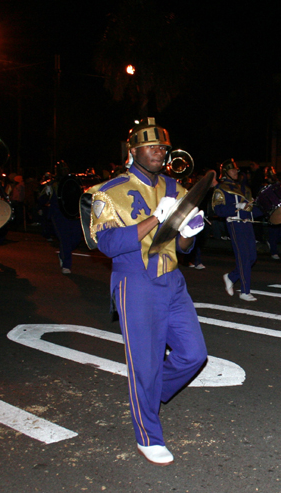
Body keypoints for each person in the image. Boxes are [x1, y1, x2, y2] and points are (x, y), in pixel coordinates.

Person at [85, 118, 207, 465]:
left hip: (172, 281)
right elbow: (106, 244)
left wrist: (190, 231)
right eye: (151, 147)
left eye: (163, 148)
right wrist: (154, 219)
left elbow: (182, 246)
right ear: (133, 151)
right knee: (145, 362)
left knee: (194, 354)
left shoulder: (176, 187)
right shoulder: (108, 191)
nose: (159, 152)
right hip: (136, 281)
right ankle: (147, 434)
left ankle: (150, 396)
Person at [212, 158, 263, 301]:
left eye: (236, 169)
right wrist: (236, 208)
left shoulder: (244, 188)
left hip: (246, 224)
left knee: (252, 257)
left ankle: (231, 276)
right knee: (243, 258)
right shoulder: (221, 188)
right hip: (234, 224)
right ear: (225, 172)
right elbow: (218, 209)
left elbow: (252, 209)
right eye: (232, 169)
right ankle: (245, 291)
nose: (236, 172)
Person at [38, 161, 83, 274]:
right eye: (62, 169)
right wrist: (46, 193)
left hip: (73, 214)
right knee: (65, 240)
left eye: (66, 168)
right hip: (58, 215)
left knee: (77, 238)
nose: (65, 170)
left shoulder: (73, 181)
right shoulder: (52, 184)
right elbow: (41, 199)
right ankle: (66, 264)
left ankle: (63, 253)